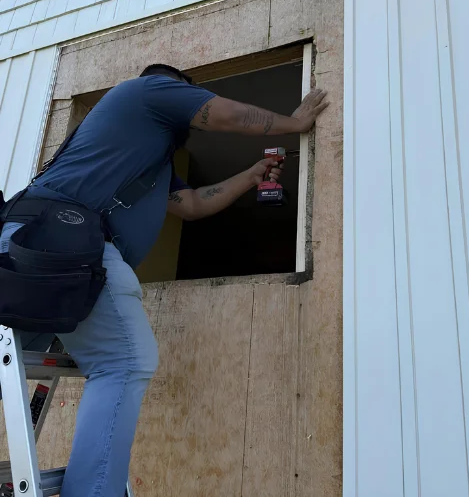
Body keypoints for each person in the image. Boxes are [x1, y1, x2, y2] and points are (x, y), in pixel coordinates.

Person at [0, 64, 328, 497]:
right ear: (175, 89)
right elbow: (225, 114)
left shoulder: (147, 160)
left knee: (20, 356)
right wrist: (296, 122)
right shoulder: (150, 89)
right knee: (124, 360)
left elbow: (191, 204)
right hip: (64, 243)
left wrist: (250, 176)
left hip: (38, 243)